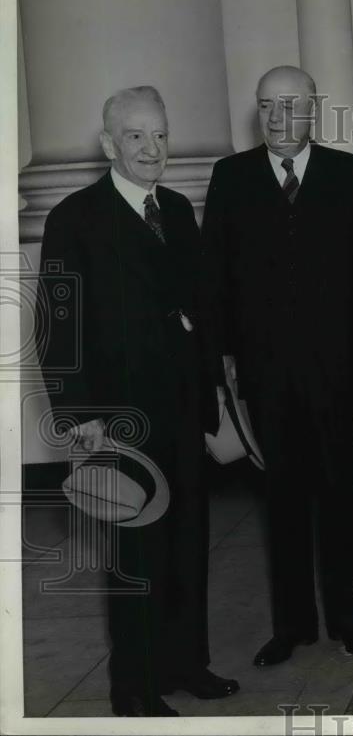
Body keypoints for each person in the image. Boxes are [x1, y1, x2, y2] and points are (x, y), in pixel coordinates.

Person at [36, 86, 239, 716]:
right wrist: (81, 418)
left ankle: (186, 664)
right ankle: (135, 688)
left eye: (160, 134)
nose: (152, 149)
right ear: (108, 144)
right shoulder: (74, 218)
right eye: (135, 136)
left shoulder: (177, 209)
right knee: (135, 553)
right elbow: (56, 327)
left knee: (187, 542)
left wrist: (213, 398)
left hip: (182, 407)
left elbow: (198, 309)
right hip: (119, 420)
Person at [202, 66, 353, 666]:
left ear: (312, 110)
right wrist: (224, 358)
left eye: (291, 104)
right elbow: (216, 277)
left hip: (337, 364)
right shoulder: (229, 177)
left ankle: (347, 620)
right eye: (267, 105)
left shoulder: (350, 174)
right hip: (263, 369)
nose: (279, 116)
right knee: (281, 497)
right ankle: (293, 626)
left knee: (336, 490)